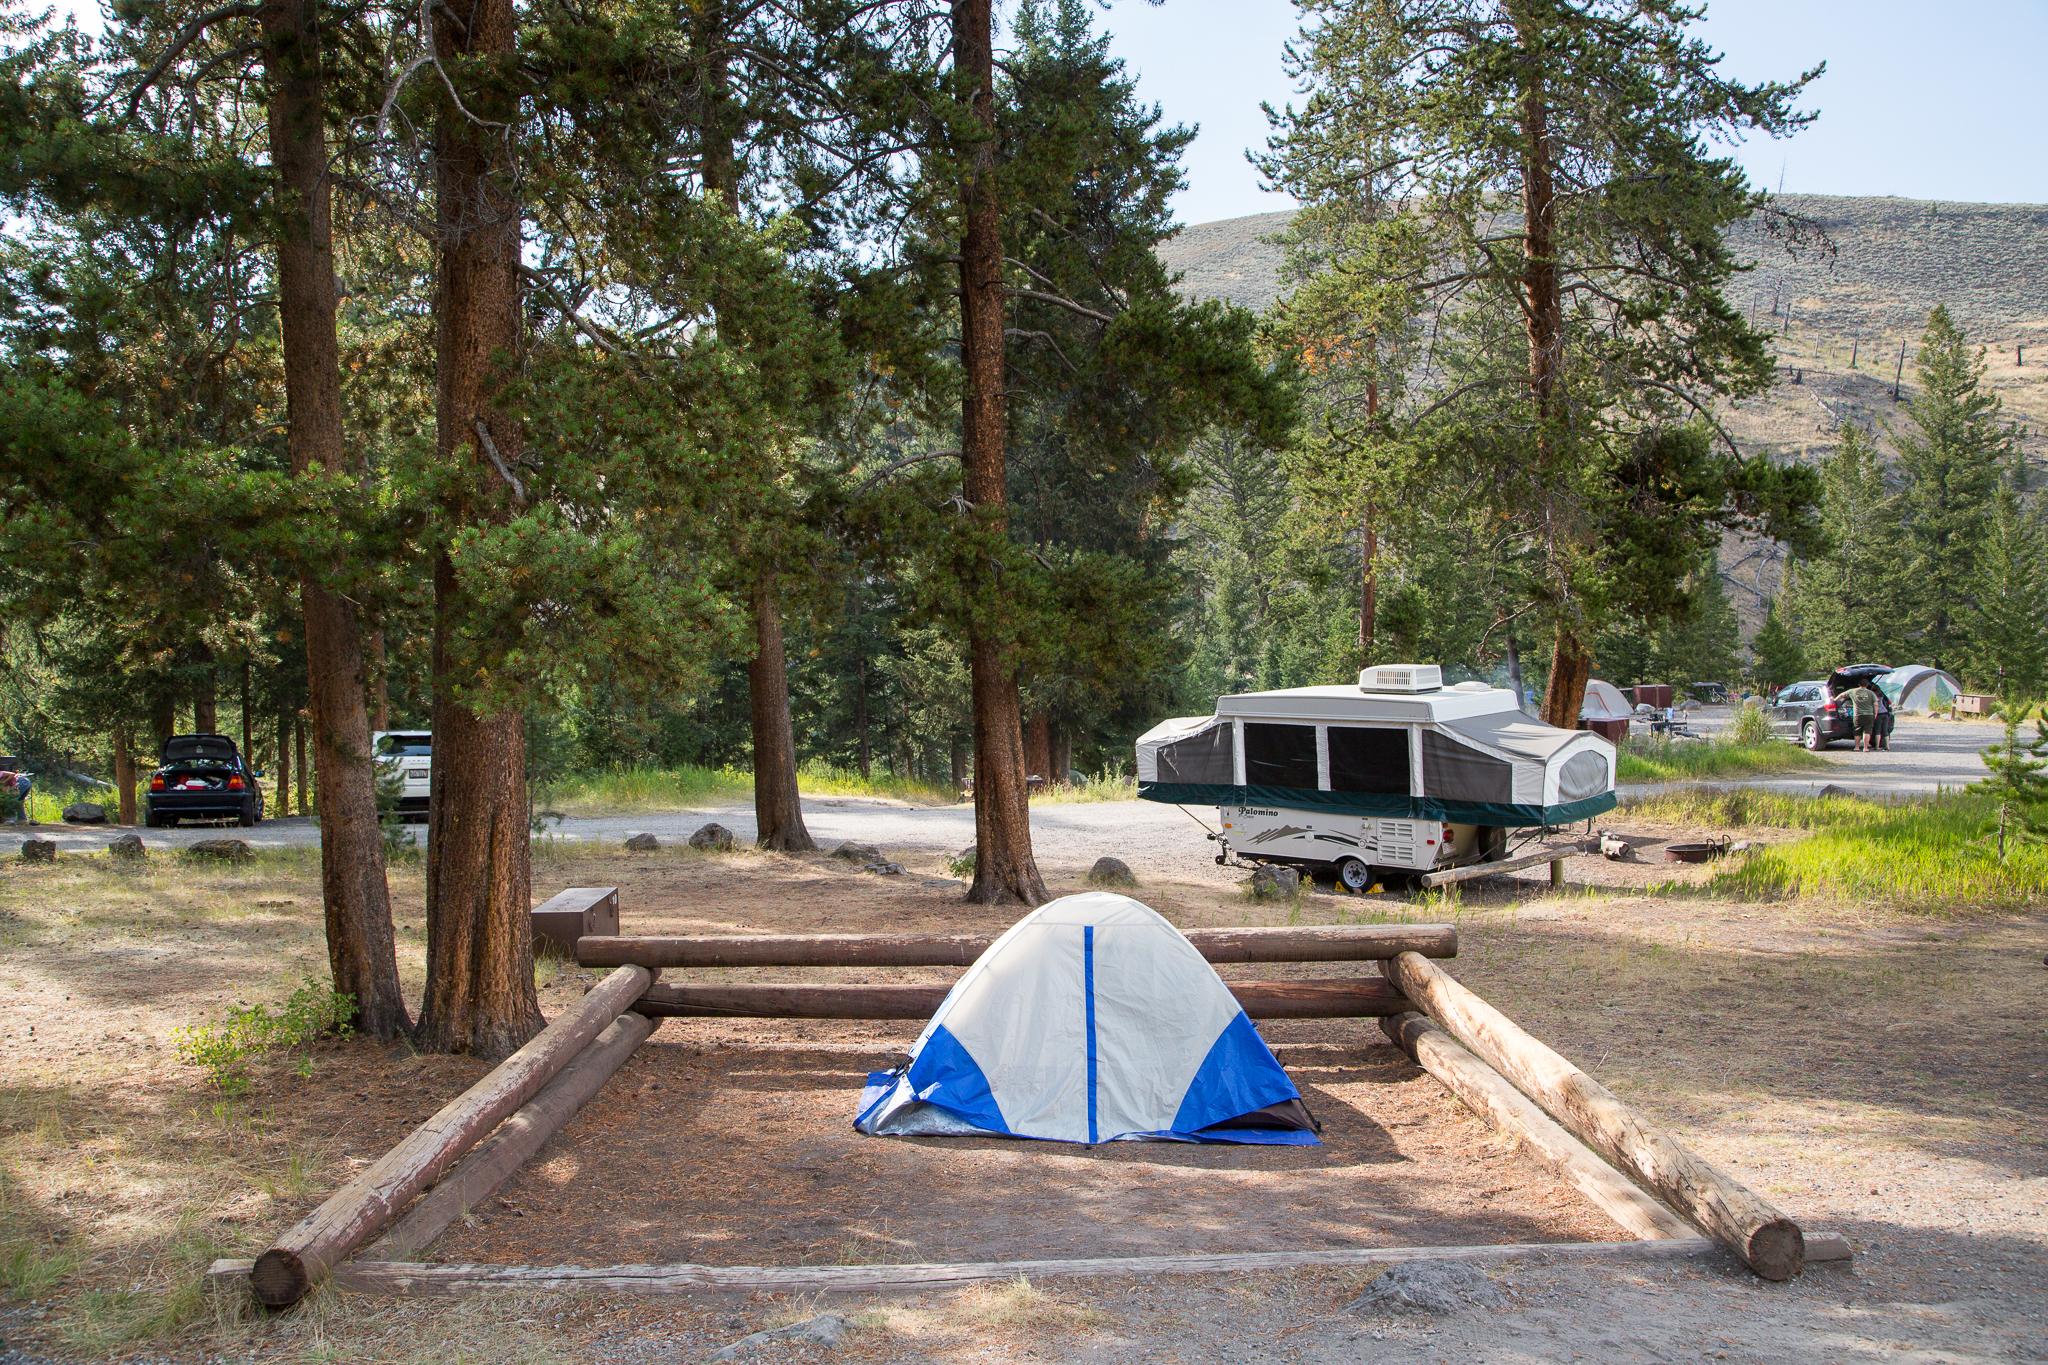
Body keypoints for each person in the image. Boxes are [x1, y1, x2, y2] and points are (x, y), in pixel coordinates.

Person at [1840, 683, 1881, 751]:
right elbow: (1876, 704)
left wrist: (1835, 699)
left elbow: (1841, 695)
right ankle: (1865, 748)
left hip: (1857, 715)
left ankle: (1857, 747)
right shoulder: (1871, 693)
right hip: (1869, 714)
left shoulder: (1852, 691)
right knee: (1867, 731)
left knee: (1857, 731)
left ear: (1859, 684)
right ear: (1867, 685)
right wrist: (1876, 713)